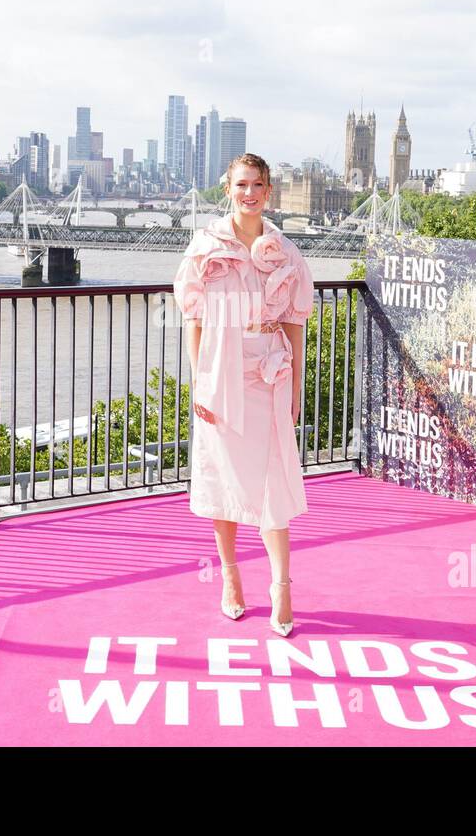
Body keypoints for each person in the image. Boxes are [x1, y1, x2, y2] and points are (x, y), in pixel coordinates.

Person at [172, 153, 315, 637]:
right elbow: (193, 320)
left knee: (275, 476)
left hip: (270, 370)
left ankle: (282, 587)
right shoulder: (204, 246)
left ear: (269, 191)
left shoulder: (287, 251)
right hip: (222, 370)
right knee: (222, 477)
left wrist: (296, 384)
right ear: (227, 189)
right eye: (240, 185)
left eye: (257, 185)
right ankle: (230, 578)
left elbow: (295, 322)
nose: (249, 193)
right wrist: (200, 380)